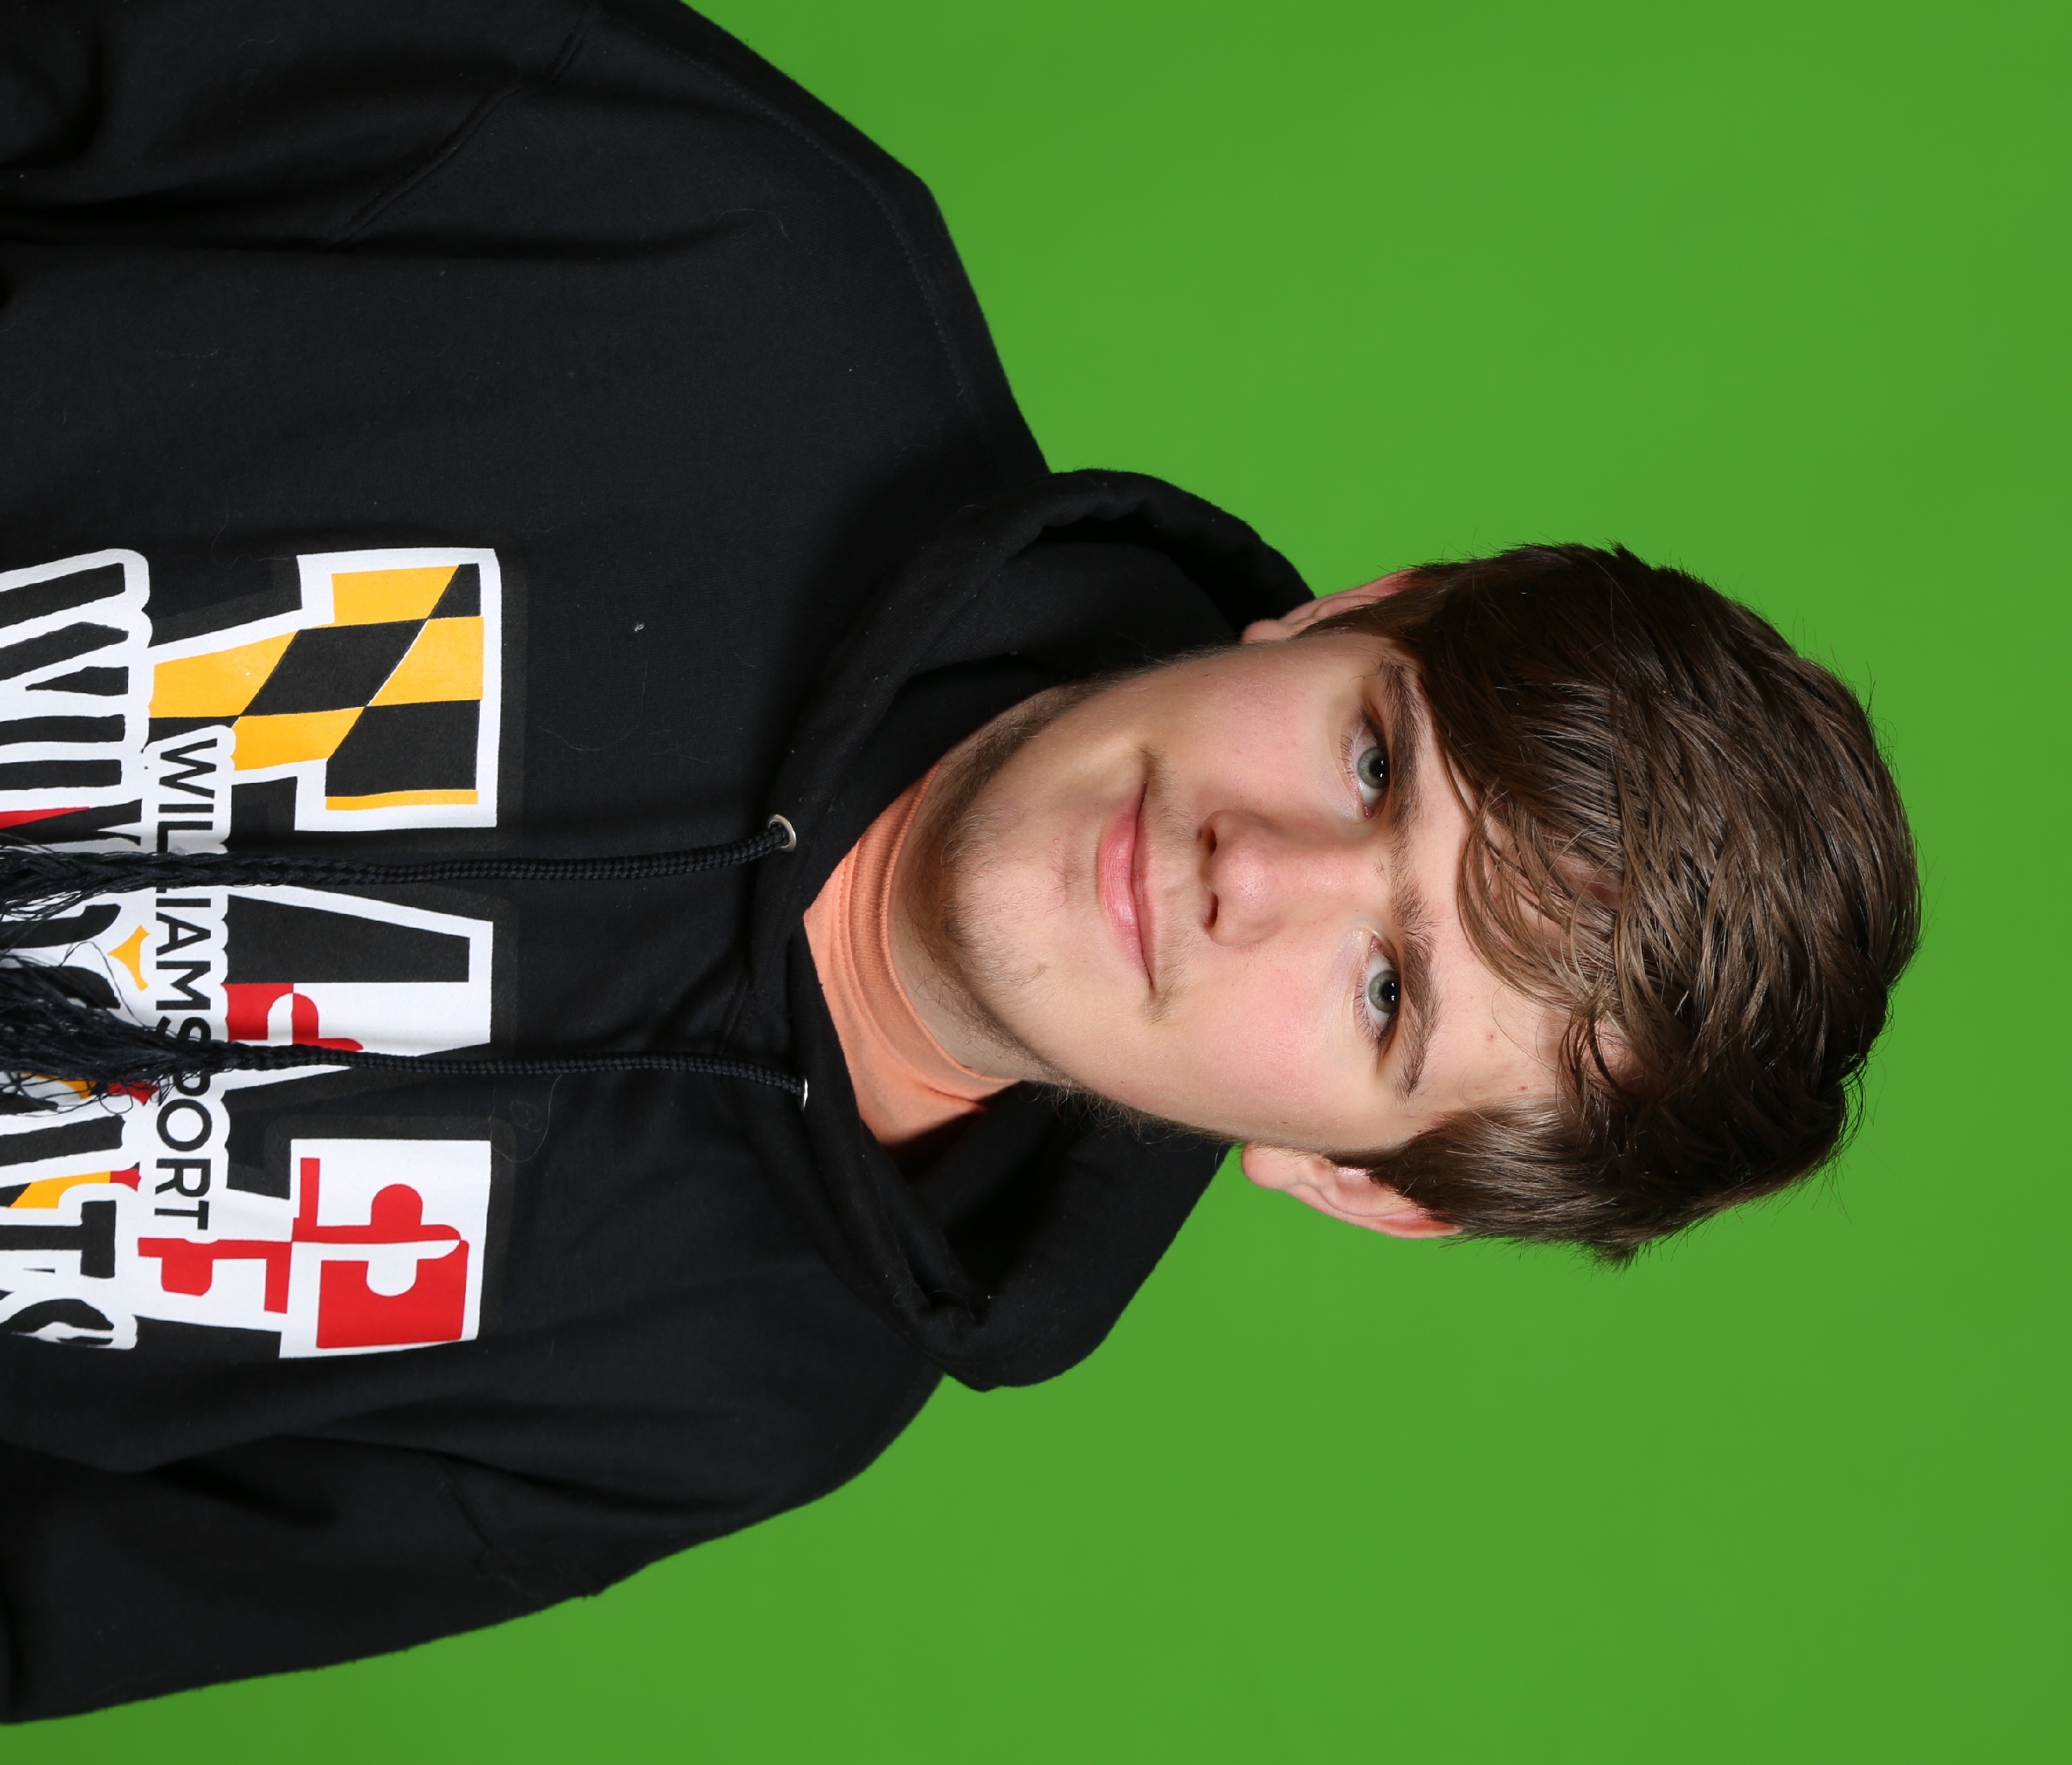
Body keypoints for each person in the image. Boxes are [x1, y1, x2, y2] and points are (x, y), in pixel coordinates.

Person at [0, 0, 1918, 1721]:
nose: (1258, 873)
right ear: (1357, 611)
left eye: (1387, 992)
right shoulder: (714, 244)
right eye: (1372, 762)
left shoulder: (735, 1404)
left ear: (1357, 1183)